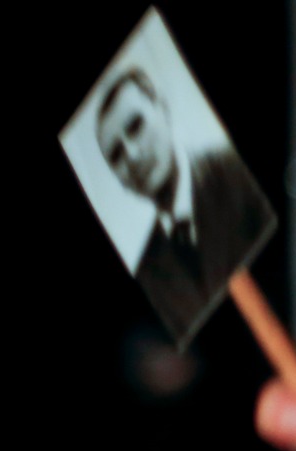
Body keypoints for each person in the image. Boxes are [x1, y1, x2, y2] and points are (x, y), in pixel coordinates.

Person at [95, 67, 272, 345]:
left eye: (136, 126)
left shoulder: (237, 175)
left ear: (163, 108)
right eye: (116, 154)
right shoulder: (148, 275)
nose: (133, 155)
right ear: (120, 181)